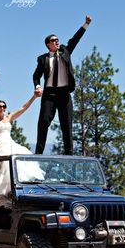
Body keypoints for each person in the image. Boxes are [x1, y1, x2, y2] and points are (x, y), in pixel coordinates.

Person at [33, 15, 92, 155]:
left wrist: (85, 24)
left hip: (64, 94)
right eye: (54, 40)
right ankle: (38, 154)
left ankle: (69, 155)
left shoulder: (65, 51)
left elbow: (75, 39)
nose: (57, 41)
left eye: (58, 40)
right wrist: (37, 86)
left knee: (67, 125)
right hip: (49, 95)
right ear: (48, 44)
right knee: (43, 122)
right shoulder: (43, 59)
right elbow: (36, 76)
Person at [0, 85, 39, 208]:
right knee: (4, 168)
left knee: (21, 163)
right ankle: (3, 195)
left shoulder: (9, 118)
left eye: (3, 106)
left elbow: (23, 108)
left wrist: (34, 96)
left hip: (10, 143)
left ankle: (17, 194)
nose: (2, 108)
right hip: (0, 145)